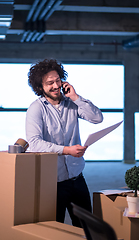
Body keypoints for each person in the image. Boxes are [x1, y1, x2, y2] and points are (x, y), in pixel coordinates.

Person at [25, 59, 103, 227]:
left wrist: (75, 97)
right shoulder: (36, 109)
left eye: (57, 80)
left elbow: (97, 118)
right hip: (53, 183)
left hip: (77, 178)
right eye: (49, 83)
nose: (55, 85)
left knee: (86, 229)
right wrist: (67, 150)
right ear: (40, 87)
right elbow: (34, 143)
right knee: (55, 230)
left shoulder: (72, 103)